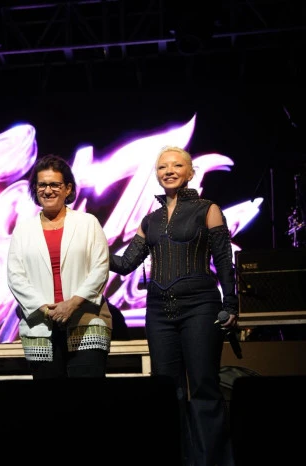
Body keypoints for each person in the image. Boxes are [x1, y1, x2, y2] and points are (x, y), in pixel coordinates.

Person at [109, 145, 238, 466]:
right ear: (157, 174)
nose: (169, 171)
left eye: (177, 165)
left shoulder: (207, 209)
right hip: (159, 312)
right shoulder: (150, 220)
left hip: (200, 307)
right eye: (163, 167)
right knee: (168, 390)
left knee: (204, 386)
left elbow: (224, 259)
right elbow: (125, 264)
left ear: (190, 172)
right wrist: (93, 250)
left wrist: (231, 303)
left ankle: (212, 461)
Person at [7, 154, 112, 379]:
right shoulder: (23, 230)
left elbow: (101, 268)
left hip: (86, 320)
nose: (48, 190)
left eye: (55, 184)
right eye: (42, 185)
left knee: (88, 395)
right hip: (40, 325)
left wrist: (72, 304)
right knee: (50, 398)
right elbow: (15, 277)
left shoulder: (88, 223)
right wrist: (46, 309)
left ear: (68, 189)